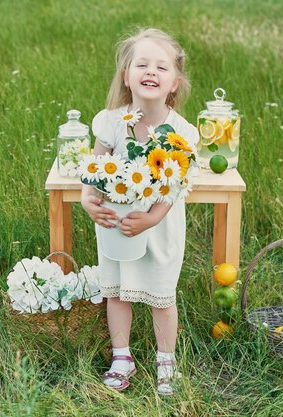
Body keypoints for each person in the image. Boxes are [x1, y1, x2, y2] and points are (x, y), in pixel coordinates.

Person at [80, 28, 198, 396]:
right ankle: (121, 356)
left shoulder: (181, 133)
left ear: (174, 83)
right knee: (117, 292)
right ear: (126, 76)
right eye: (142, 64)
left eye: (161, 67)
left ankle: (166, 360)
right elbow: (95, 168)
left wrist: (152, 218)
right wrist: (87, 199)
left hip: (157, 226)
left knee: (162, 295)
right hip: (117, 222)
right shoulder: (112, 121)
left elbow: (175, 186)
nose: (151, 71)